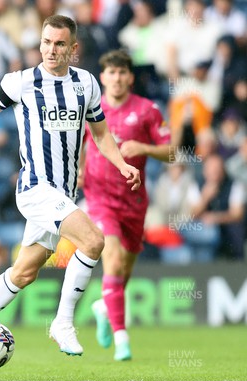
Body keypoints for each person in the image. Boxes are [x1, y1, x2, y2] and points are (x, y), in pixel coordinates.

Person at [0, 15, 141, 372]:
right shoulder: (20, 82)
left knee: (24, 272)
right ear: (40, 43)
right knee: (94, 241)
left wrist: (121, 164)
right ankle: (63, 321)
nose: (51, 50)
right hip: (35, 189)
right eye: (46, 42)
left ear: (73, 49)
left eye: (59, 44)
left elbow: (100, 134)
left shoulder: (86, 84)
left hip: (63, 194)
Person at [83, 50, 173, 361]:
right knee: (114, 262)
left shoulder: (147, 110)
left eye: (122, 73)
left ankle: (104, 306)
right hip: (99, 198)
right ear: (103, 77)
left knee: (124, 272)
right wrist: (80, 171)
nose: (117, 78)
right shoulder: (91, 109)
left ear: (130, 77)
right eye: (111, 72)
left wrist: (144, 147)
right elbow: (81, 144)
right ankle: (122, 338)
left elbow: (171, 152)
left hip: (134, 201)